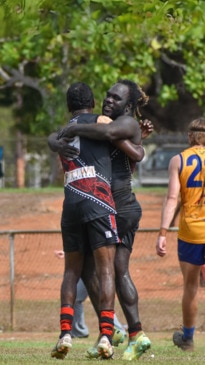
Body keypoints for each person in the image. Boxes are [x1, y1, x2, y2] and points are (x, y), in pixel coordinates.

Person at [50, 79, 153, 360]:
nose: (109, 100)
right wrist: (57, 139)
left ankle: (130, 332)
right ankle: (113, 332)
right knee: (90, 270)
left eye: (116, 98)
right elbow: (121, 144)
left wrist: (71, 127)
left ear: (129, 106)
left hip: (120, 205)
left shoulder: (122, 124)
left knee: (115, 270)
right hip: (106, 204)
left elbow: (111, 135)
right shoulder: (105, 124)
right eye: (107, 95)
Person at [51, 82, 121, 360]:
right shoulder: (101, 121)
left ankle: (65, 333)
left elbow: (53, 141)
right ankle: (106, 336)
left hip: (71, 204)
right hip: (98, 201)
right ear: (92, 103)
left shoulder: (63, 133)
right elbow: (115, 131)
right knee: (106, 271)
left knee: (71, 271)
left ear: (69, 106)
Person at [156, 117, 205, 352]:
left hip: (191, 232)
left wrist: (163, 232)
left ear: (189, 136)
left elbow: (172, 199)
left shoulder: (179, 160)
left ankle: (187, 339)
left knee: (191, 287)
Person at [54, 250, 126, 339]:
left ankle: (118, 330)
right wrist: (68, 253)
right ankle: (79, 331)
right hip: (85, 268)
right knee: (76, 298)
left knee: (102, 302)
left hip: (98, 270)